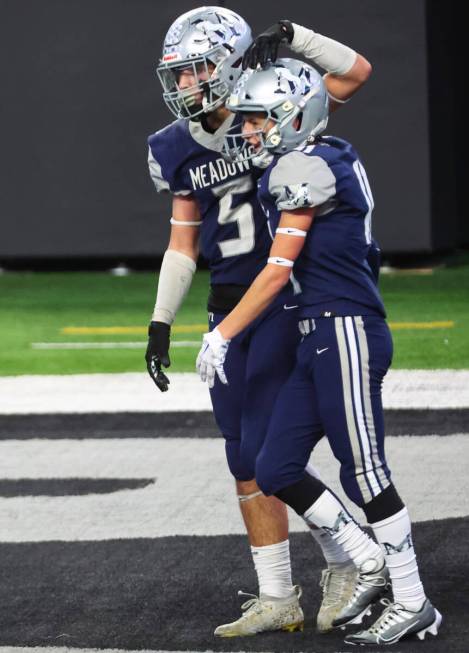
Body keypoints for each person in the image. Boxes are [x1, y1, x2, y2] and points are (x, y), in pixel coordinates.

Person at [146, 6, 378, 636]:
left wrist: (297, 38)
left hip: (284, 294)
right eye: (180, 74)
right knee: (240, 455)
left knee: (269, 449)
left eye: (195, 70)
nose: (186, 85)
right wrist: (161, 319)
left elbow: (354, 73)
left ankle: (353, 560)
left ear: (226, 63)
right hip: (228, 301)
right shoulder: (175, 144)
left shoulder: (274, 100)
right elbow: (183, 242)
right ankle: (278, 592)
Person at [196, 59, 442, 646]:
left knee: (366, 473)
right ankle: (371, 561)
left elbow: (278, 269)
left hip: (347, 329)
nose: (248, 131)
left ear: (292, 114)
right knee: (275, 465)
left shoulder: (311, 164)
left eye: (258, 119)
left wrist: (222, 332)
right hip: (316, 334)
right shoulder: (310, 156)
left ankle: (413, 601)